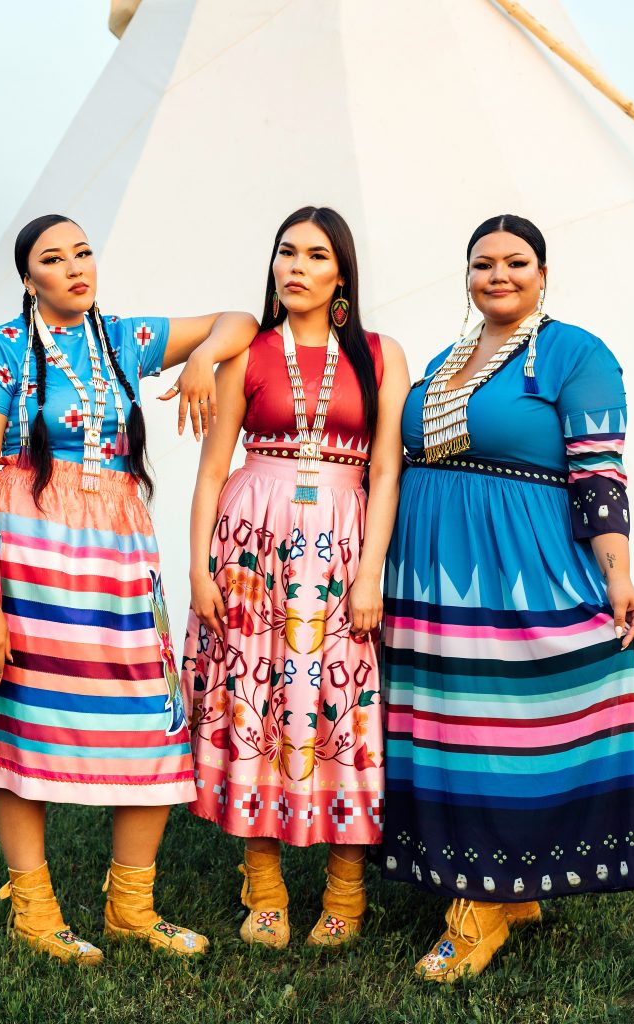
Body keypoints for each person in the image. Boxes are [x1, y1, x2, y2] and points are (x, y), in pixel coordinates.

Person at [0, 214, 257, 964]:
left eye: (83, 252)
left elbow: (242, 319)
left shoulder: (124, 341)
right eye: (53, 258)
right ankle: (33, 909)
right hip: (26, 564)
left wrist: (199, 362)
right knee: (21, 724)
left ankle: (132, 904)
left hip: (119, 566)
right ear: (28, 277)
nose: (75, 267)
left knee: (154, 725)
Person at [380, 214, 634, 981]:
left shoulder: (577, 353)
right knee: (447, 726)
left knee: (502, 731)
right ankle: (510, 884)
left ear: (543, 271)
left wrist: (618, 573)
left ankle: (480, 910)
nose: (498, 275)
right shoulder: (446, 358)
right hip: (431, 571)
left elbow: (600, 473)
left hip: (514, 568)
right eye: (482, 264)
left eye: (515, 262)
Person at [180, 207, 409, 948]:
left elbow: (385, 467)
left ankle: (346, 889)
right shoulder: (245, 355)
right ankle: (267, 889)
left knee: (345, 704)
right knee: (258, 698)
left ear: (341, 271)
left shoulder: (380, 354)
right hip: (252, 546)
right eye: (286, 252)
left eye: (315, 255)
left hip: (344, 548)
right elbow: (214, 468)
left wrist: (370, 570)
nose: (297, 266)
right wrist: (198, 566)